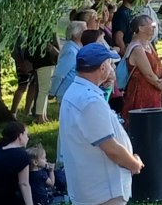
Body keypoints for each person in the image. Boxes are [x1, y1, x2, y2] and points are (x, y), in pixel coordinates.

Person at [60, 43, 144, 205]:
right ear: (102, 68)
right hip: (104, 191)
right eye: (110, 63)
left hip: (90, 187)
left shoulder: (74, 92)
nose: (113, 67)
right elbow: (110, 147)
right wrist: (133, 164)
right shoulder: (90, 101)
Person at [122, 14, 162, 113]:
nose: (154, 28)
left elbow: (159, 64)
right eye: (152, 25)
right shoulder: (137, 49)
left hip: (155, 91)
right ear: (141, 28)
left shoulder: (148, 44)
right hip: (140, 95)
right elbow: (148, 74)